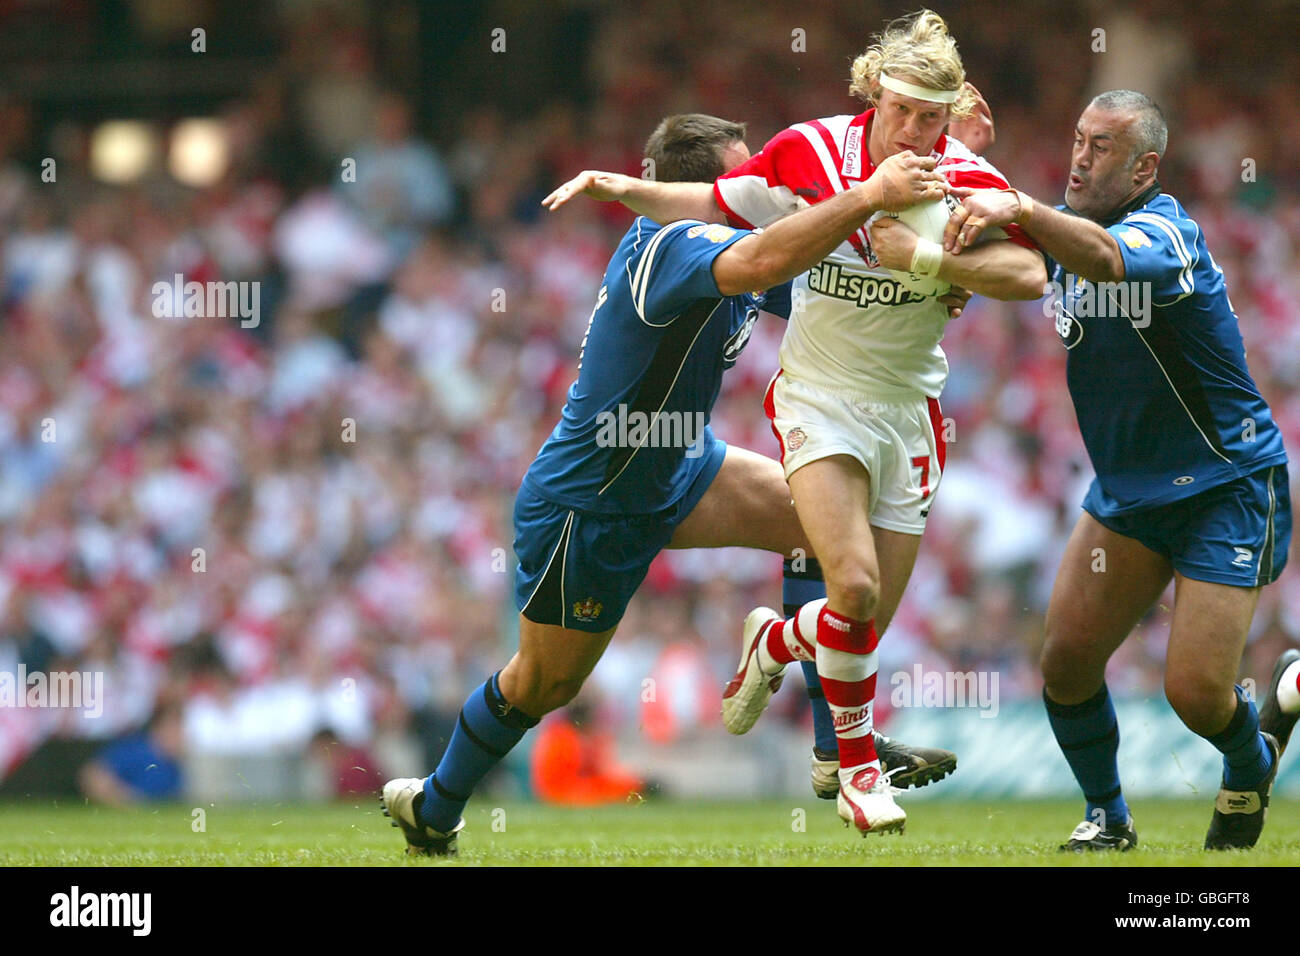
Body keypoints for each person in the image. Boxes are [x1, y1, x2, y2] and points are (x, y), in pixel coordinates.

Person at [380, 112, 955, 856]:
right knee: (544, 688)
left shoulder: (728, 239)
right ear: (698, 187)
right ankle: (436, 804)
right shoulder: (672, 240)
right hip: (593, 501)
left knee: (822, 522)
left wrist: (927, 279)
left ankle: (834, 750)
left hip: (682, 466)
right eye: (746, 177)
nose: (762, 188)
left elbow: (825, 289)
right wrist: (870, 193)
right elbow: (761, 264)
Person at [543, 10, 1045, 834]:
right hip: (818, 397)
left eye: (933, 116)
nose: (917, 131)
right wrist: (622, 188)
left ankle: (775, 643)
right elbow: (716, 200)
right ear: (873, 95)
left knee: (862, 625)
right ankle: (856, 778)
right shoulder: (811, 150)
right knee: (852, 586)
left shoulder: (963, 173)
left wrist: (930, 261)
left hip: (910, 408)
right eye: (904, 111)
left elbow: (1029, 273)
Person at [944, 89, 1292, 851]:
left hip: (1224, 484)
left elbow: (1105, 260)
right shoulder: (1063, 237)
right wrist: (954, 160)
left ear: (1145, 168)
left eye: (1100, 147)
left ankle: (1252, 755)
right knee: (1066, 664)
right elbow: (988, 253)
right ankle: (1108, 817)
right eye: (1077, 139)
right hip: (1128, 495)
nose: (1078, 157)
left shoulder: (1166, 231)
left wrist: (1017, 210)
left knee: (1195, 697)